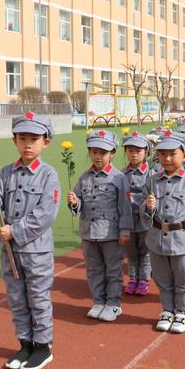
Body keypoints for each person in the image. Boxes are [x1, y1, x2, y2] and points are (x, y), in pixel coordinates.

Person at [0, 112, 60, 369]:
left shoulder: (49, 175)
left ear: (45, 142)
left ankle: (42, 347)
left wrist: (15, 231)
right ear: (14, 140)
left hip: (35, 251)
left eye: (34, 139)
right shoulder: (5, 173)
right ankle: (25, 343)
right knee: (16, 298)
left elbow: (46, 214)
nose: (27, 144)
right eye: (22, 138)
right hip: (10, 251)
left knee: (37, 297)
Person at [141, 131, 185, 334]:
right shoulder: (151, 181)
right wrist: (148, 207)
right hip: (157, 239)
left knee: (184, 277)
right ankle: (167, 310)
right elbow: (145, 217)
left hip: (182, 240)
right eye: (162, 154)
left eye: (173, 154)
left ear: (184, 156)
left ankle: (183, 311)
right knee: (162, 278)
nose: (167, 159)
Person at [68, 130, 133, 322]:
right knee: (94, 268)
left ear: (112, 153)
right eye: (94, 151)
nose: (98, 156)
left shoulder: (119, 178)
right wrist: (73, 202)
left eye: (102, 152)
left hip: (110, 233)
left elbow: (125, 206)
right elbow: (79, 203)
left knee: (113, 270)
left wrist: (125, 230)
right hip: (89, 231)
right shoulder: (83, 177)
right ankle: (98, 300)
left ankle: (113, 304)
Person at [122, 132, 152, 296]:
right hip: (128, 220)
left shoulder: (151, 174)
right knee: (131, 252)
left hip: (145, 220)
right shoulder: (121, 174)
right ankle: (133, 278)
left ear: (146, 152)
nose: (134, 155)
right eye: (130, 150)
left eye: (138, 151)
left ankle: (144, 279)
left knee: (145, 251)